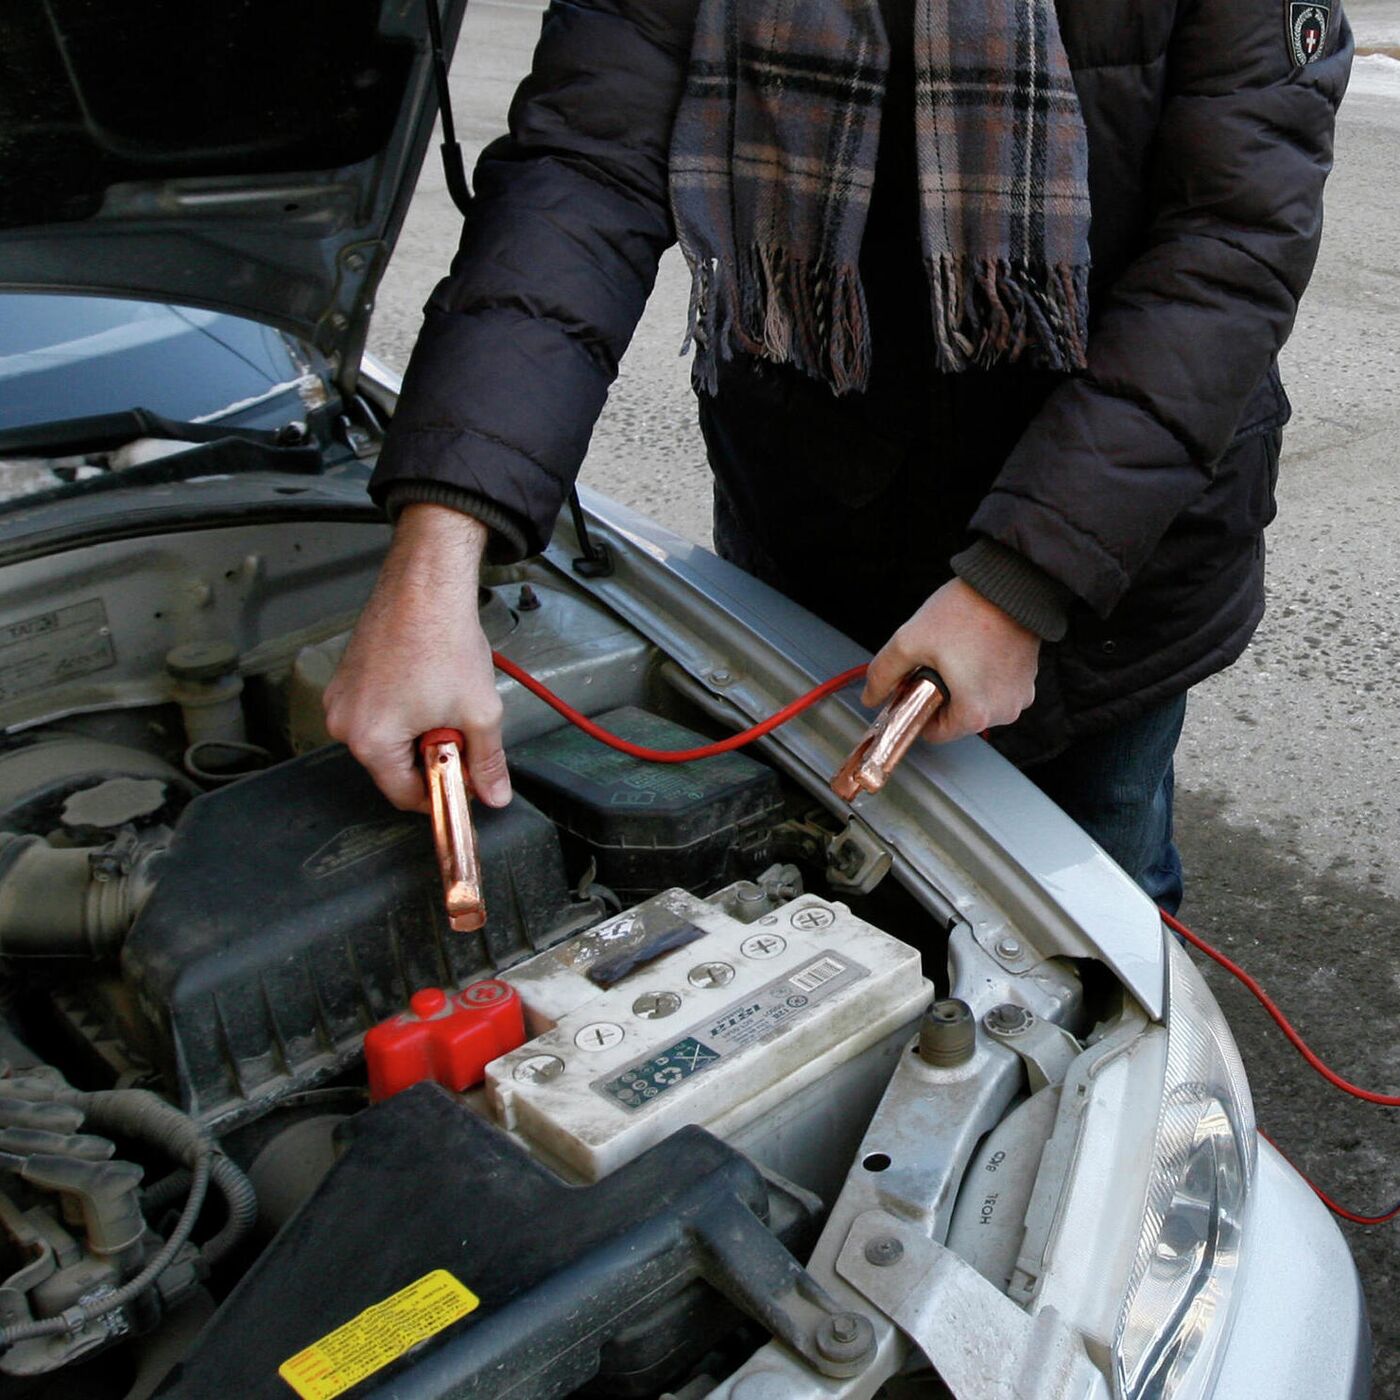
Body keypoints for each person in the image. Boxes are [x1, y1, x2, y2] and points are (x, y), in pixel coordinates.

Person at [324, 0, 1352, 914]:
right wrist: (433, 562)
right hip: (814, 524)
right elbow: (582, 176)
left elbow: (1228, 249)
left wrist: (1019, 584)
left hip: (1106, 559)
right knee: (834, 899)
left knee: (1102, 912)